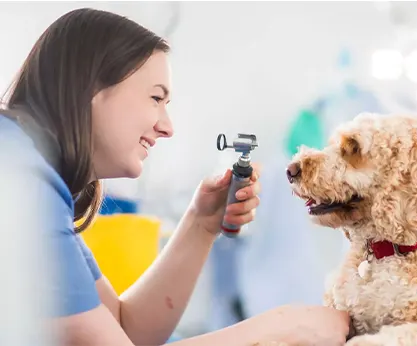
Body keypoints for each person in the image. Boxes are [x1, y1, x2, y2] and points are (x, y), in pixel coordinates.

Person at [0, 8, 350, 346]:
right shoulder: (21, 180)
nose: (167, 127)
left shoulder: (32, 177)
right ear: (88, 87)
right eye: (156, 98)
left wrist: (201, 222)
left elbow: (122, 329)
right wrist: (283, 326)